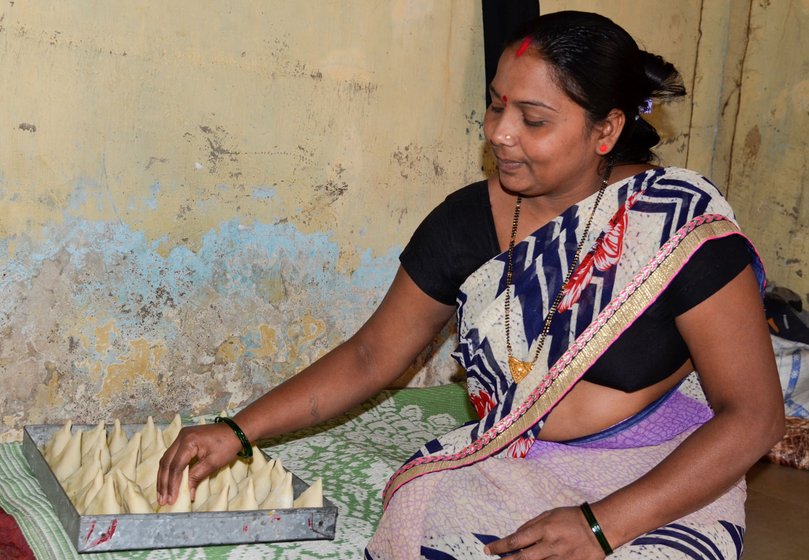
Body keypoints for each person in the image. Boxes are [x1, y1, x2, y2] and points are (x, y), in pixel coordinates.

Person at [158, 11, 785, 559]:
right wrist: (238, 431)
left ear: (607, 130)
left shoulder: (675, 224)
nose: (499, 133)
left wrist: (601, 529)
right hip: (515, 462)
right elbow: (373, 355)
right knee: (417, 517)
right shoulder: (466, 222)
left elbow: (753, 418)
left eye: (533, 119)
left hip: (661, 473)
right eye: (495, 104)